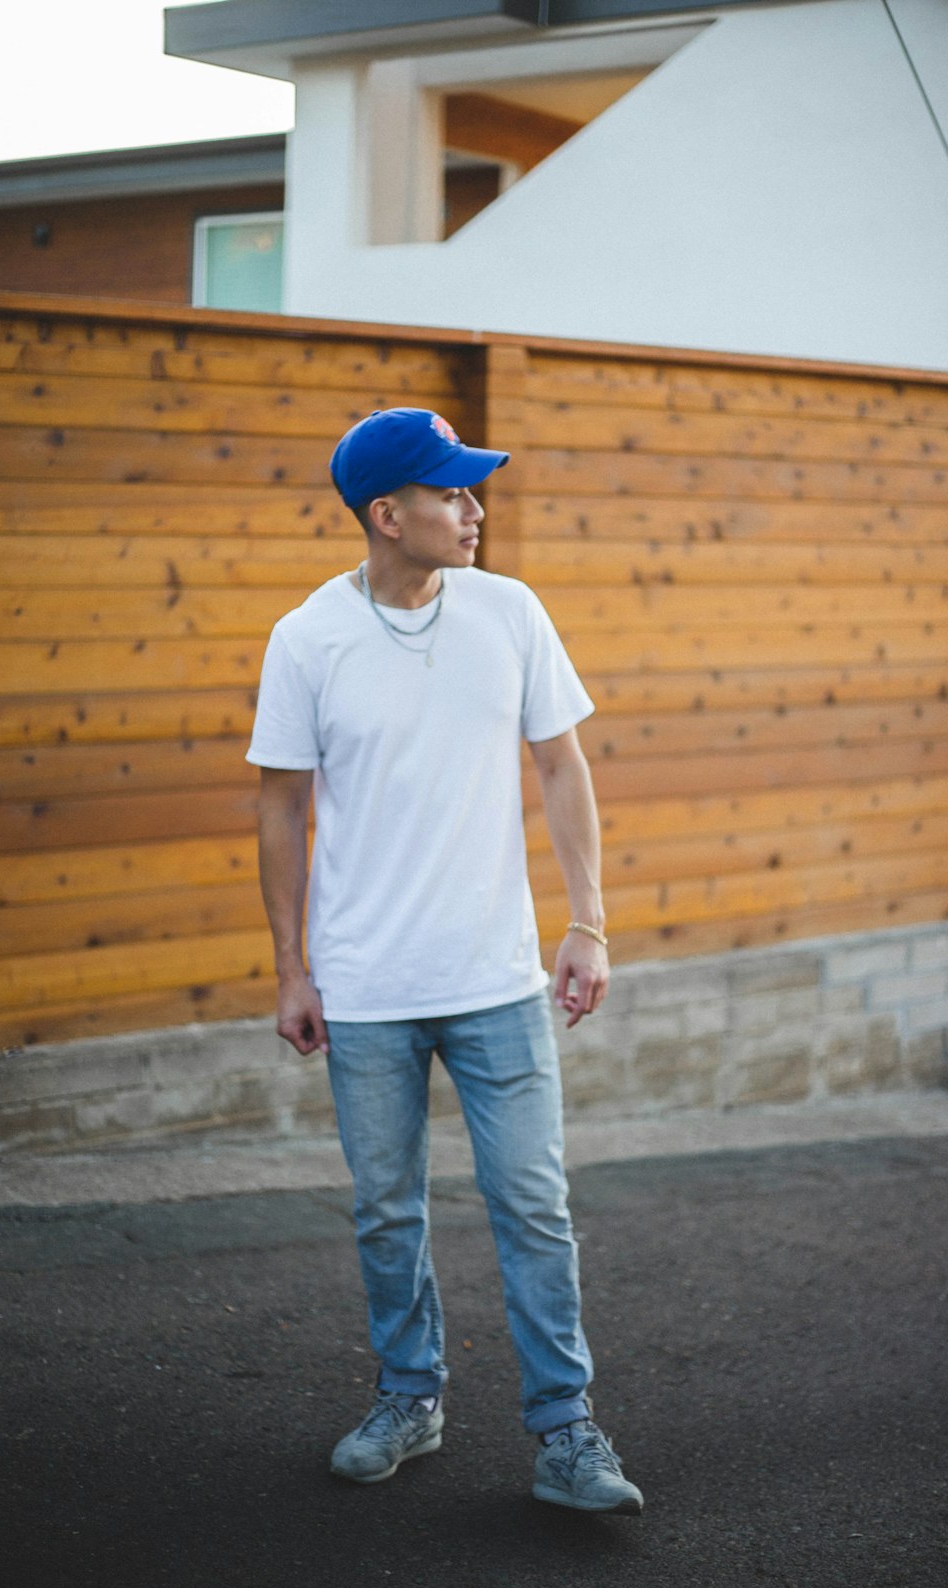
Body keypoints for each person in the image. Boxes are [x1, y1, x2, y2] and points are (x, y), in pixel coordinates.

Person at [246, 407, 643, 1514]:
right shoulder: (308, 637)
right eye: (452, 494)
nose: (474, 511)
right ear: (388, 514)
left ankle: (567, 1432)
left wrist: (589, 919)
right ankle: (410, 1394)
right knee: (386, 1209)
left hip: (498, 981)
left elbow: (563, 769)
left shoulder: (509, 613)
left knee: (532, 1203)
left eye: (474, 492)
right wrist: (292, 967)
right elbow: (281, 809)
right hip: (367, 986)